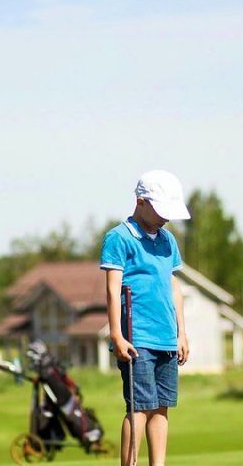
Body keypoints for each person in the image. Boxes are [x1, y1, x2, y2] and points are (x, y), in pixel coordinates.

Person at [100, 170, 191, 466]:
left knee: (161, 408)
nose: (167, 219)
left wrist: (181, 333)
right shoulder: (119, 238)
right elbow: (113, 290)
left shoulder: (168, 240)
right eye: (161, 210)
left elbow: (173, 287)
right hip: (136, 337)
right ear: (141, 202)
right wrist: (116, 334)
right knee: (139, 408)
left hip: (166, 336)